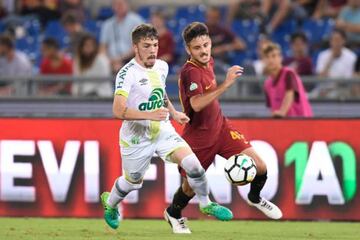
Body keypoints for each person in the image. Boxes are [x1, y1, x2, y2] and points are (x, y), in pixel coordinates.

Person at [100, 23, 233, 231]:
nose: (152, 50)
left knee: (194, 166)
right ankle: (111, 204)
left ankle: (206, 204)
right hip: (137, 136)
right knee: (132, 181)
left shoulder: (162, 66)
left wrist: (173, 112)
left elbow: (160, 93)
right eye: (146, 46)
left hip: (162, 129)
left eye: (155, 44)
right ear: (135, 48)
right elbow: (118, 111)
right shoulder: (126, 74)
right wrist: (149, 115)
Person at [164, 22, 283, 234]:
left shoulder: (209, 61)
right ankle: (173, 213)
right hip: (199, 137)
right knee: (189, 188)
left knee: (261, 167)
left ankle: (255, 198)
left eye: (206, 44)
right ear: (188, 50)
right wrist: (226, 85)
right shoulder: (190, 72)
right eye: (197, 47)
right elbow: (197, 104)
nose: (203, 50)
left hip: (221, 127)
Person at [263, 42, 313, 117]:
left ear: (280, 58)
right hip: (282, 125)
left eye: (274, 56)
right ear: (264, 60)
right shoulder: (267, 84)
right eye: (267, 57)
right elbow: (272, 107)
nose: (271, 60)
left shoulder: (289, 74)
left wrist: (282, 112)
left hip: (301, 121)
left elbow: (290, 94)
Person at [100, 0, 143, 73]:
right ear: (113, 7)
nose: (119, 6)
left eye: (121, 4)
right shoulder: (107, 24)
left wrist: (120, 59)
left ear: (127, 5)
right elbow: (103, 47)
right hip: (111, 62)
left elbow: (139, 45)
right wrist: (108, 61)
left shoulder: (136, 21)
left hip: (130, 60)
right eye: (116, 4)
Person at [206, 6, 246, 73]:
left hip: (222, 61)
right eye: (210, 17)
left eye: (215, 17)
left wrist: (223, 48)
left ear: (219, 18)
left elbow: (241, 45)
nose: (212, 20)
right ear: (206, 17)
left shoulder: (223, 30)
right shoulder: (201, 30)